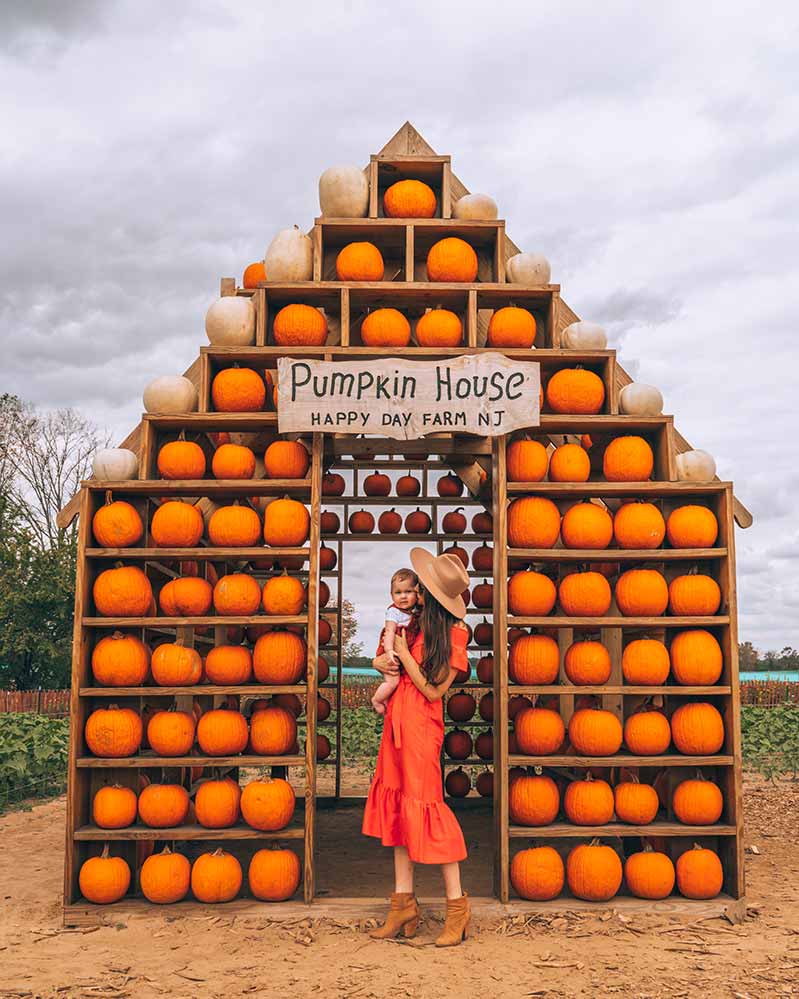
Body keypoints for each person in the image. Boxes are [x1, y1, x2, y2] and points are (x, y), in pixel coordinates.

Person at [362, 548, 471, 947]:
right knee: (397, 809)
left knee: (426, 807)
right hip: (396, 722)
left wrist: (405, 657)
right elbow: (379, 654)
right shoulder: (408, 622)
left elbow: (432, 689)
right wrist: (381, 663)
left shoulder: (455, 633)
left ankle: (457, 907)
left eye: (422, 590)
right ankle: (403, 904)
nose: (416, 595)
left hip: (422, 726)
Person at [370, 568, 420, 715]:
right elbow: (389, 631)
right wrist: (389, 651)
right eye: (398, 593)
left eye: (408, 592)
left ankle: (386, 699)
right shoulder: (394, 612)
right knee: (392, 682)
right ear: (392, 596)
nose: (403, 596)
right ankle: (377, 700)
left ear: (417, 593)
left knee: (395, 684)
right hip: (390, 651)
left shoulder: (415, 611)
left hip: (401, 652)